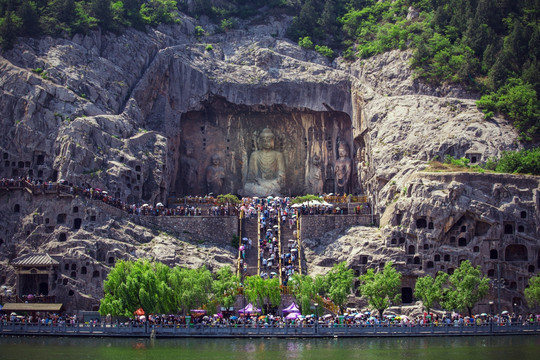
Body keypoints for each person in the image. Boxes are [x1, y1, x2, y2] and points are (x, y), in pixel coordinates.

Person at [243, 127, 285, 196]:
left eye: (268, 140)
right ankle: (271, 193)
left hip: (273, 184)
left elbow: (282, 175)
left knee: (276, 187)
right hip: (259, 183)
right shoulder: (255, 155)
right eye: (263, 140)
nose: (266, 142)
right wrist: (260, 181)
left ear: (272, 141)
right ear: (260, 141)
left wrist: (274, 181)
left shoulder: (278, 155)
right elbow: (251, 175)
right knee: (247, 187)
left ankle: (267, 192)